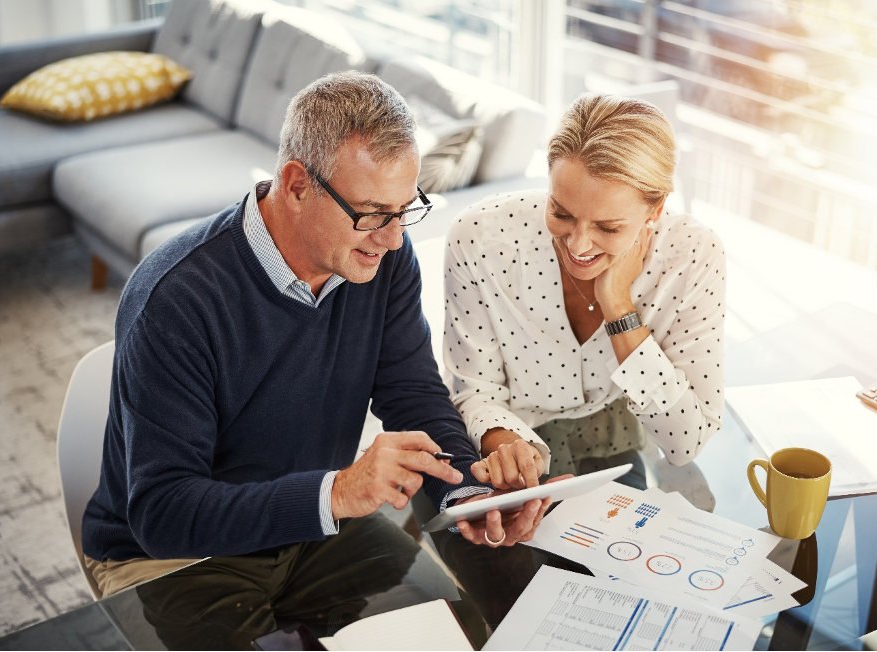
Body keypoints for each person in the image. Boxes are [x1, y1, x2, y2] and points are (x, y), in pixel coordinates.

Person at [80, 71, 552, 600]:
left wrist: (468, 490)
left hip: (314, 524)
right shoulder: (176, 299)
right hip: (177, 554)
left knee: (454, 630)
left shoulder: (382, 259)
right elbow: (163, 513)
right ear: (297, 185)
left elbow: (413, 395)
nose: (393, 238)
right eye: (372, 214)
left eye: (405, 210)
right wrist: (337, 493)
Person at [443, 93, 726, 490]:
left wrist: (619, 308)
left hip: (615, 441)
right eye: (561, 213)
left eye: (608, 228)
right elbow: (474, 390)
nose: (577, 245)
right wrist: (506, 446)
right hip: (502, 442)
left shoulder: (692, 256)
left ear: (656, 209)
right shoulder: (480, 238)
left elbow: (685, 441)